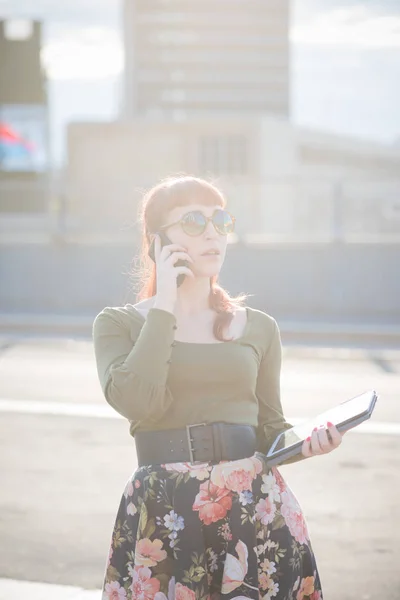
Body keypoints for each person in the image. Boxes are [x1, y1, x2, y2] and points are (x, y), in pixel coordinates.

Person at [93, 176, 343, 600]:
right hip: (164, 510)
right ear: (158, 242)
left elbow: (269, 430)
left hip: (255, 508)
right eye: (193, 221)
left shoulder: (260, 327)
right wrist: (166, 305)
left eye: (220, 220)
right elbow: (138, 401)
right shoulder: (120, 324)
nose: (211, 232)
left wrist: (310, 441)